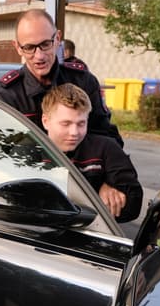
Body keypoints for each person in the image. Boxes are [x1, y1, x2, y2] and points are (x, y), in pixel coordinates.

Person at [0, 9, 123, 147]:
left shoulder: (84, 82)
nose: (39, 56)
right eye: (29, 47)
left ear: (58, 39)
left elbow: (105, 136)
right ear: (18, 47)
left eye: (45, 44)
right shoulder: (5, 96)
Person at [41, 84, 142, 223]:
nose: (74, 132)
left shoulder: (106, 148)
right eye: (66, 124)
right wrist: (95, 199)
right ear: (45, 121)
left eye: (81, 124)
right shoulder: (32, 153)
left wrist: (111, 186)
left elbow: (133, 203)